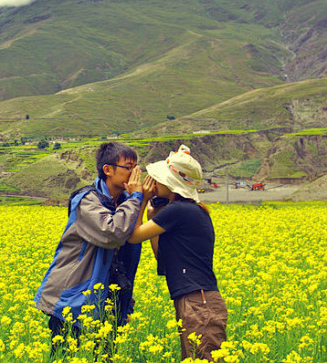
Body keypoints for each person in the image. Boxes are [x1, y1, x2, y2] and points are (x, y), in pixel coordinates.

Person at [34, 142, 150, 360]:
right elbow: (112, 232)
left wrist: (144, 199)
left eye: (137, 168)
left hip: (110, 293)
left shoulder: (125, 201)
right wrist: (136, 198)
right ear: (108, 170)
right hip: (76, 294)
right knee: (65, 354)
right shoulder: (87, 199)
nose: (135, 174)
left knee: (106, 355)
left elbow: (133, 234)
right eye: (128, 167)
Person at [127, 145, 227, 362]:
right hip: (197, 299)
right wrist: (153, 213)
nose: (155, 183)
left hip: (197, 301)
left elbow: (133, 236)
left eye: (159, 179)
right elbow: (162, 258)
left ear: (171, 184)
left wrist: (141, 199)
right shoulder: (188, 209)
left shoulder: (179, 210)